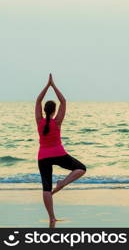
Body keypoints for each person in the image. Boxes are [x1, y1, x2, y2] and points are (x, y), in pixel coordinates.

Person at [35, 74, 86, 227]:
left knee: (46, 187)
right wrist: (53, 85)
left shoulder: (39, 121)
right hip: (59, 154)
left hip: (43, 156)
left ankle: (51, 218)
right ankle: (62, 184)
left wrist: (46, 86)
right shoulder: (57, 122)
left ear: (44, 110)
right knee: (81, 168)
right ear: (54, 110)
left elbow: (37, 101)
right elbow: (63, 101)